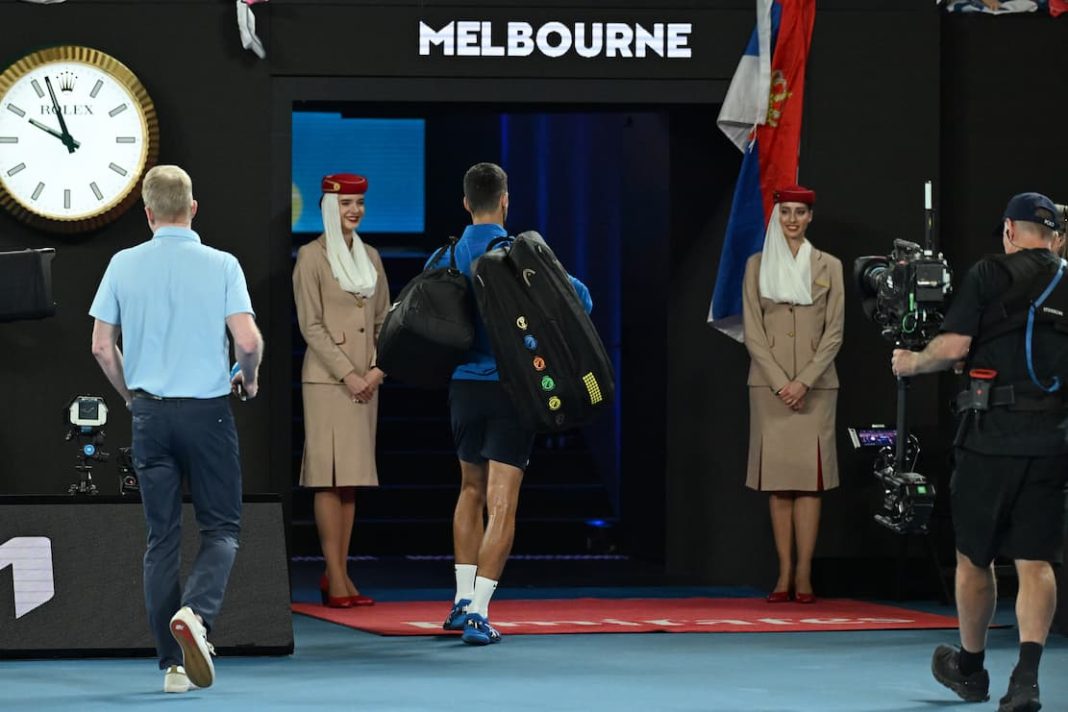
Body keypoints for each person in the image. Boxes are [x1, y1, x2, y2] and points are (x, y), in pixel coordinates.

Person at [89, 165, 263, 693]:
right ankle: (198, 615)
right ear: (193, 207)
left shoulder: (122, 263)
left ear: (147, 214)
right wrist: (248, 381)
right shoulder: (222, 264)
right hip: (207, 413)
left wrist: (130, 398)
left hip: (149, 414)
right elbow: (249, 343)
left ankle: (172, 666)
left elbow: (100, 346)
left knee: (160, 539)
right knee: (222, 529)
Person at [892, 192, 1068, 712]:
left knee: (974, 558)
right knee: (1036, 561)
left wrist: (911, 362)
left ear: (1011, 232)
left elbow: (953, 348)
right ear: (1055, 234)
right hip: (1054, 438)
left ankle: (970, 669)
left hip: (990, 438)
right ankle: (1027, 679)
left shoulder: (991, 273)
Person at [430, 162, 592, 645]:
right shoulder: (523, 256)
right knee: (503, 501)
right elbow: (581, 301)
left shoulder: (444, 257)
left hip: (462, 390)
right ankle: (479, 612)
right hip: (511, 388)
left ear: (465, 203)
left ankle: (460, 601)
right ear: (505, 201)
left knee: (469, 490)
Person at [741, 184, 844, 604]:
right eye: (786, 212)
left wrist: (804, 381)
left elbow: (834, 332)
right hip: (769, 386)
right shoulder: (756, 265)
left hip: (817, 387)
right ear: (776, 216)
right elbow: (752, 330)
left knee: (809, 484)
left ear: (810, 217)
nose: (792, 220)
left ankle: (805, 574)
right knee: (780, 484)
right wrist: (782, 381)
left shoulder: (829, 266)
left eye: (800, 212)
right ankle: (783, 573)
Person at [293, 173, 389, 608]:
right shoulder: (311, 257)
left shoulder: (370, 256)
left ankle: (340, 574)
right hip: (329, 382)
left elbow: (386, 319)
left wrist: (377, 369)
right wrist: (349, 374)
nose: (355, 210)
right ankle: (334, 575)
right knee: (328, 480)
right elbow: (310, 326)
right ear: (329, 206)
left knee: (350, 481)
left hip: (366, 380)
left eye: (360, 203)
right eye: (347, 203)